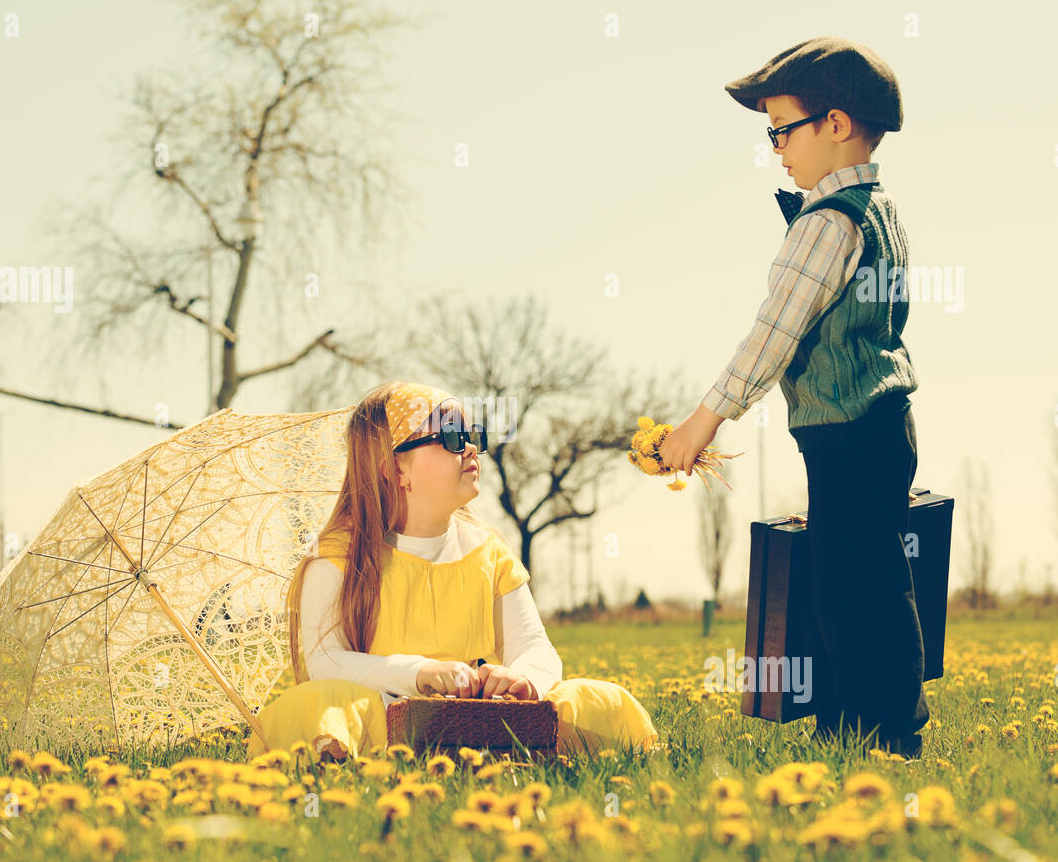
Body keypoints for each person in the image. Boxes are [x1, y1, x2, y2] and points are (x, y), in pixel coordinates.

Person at [660, 37, 928, 760]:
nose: (774, 147)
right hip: (876, 423)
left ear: (835, 125)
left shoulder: (827, 223)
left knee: (855, 583)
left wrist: (702, 422)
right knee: (855, 572)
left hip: (847, 430)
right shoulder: (880, 210)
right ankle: (857, 721)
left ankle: (881, 729)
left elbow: (771, 336)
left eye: (782, 130)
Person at [245, 380, 659, 761]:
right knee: (318, 704)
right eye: (450, 437)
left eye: (470, 434)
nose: (470, 448)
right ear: (394, 470)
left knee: (594, 699)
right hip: (386, 712)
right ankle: (346, 754)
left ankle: (508, 741)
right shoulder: (338, 555)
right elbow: (325, 661)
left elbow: (534, 646)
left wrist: (520, 681)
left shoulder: (488, 552)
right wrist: (419, 673)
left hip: (481, 717)